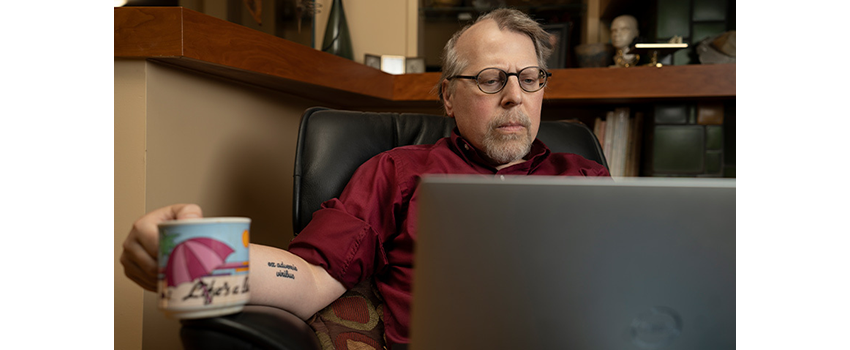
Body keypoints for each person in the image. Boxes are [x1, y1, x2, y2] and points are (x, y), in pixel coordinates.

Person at [121, 8, 610, 348]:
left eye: (529, 78)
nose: (514, 96)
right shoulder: (398, 172)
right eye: (489, 79)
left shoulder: (588, 177)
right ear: (447, 97)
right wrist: (194, 259)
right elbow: (312, 278)